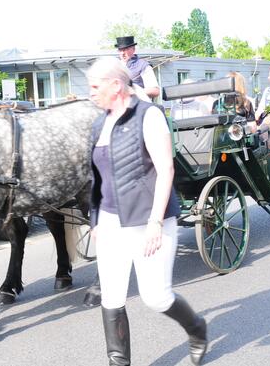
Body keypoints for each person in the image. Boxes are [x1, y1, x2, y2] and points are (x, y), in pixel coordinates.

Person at [87, 57, 207, 366]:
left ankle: (196, 328)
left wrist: (155, 222)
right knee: (111, 297)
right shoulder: (100, 122)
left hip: (149, 220)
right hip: (111, 222)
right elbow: (97, 178)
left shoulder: (148, 115)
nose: (91, 93)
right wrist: (95, 218)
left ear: (116, 85)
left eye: (95, 87)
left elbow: (166, 169)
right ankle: (119, 362)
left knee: (156, 297)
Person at [115, 36, 160, 100]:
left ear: (133, 49)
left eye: (126, 49)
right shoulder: (115, 66)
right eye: (120, 50)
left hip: (138, 104)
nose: (122, 53)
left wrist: (133, 92)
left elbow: (155, 91)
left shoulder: (143, 65)